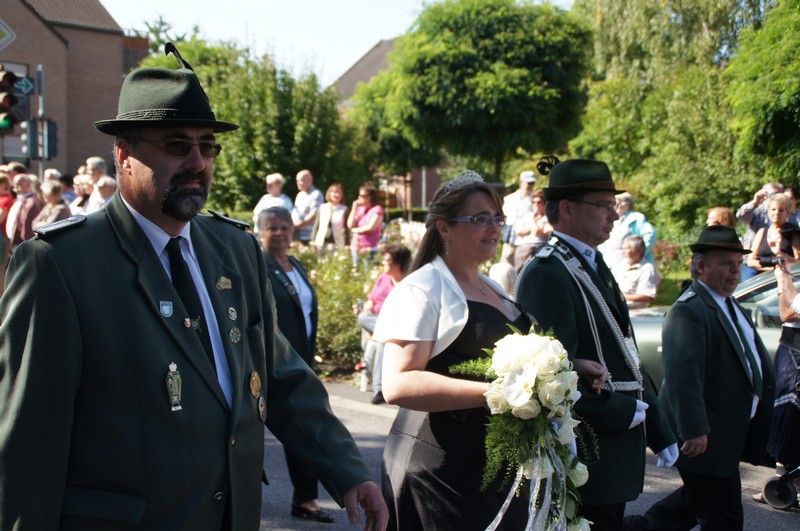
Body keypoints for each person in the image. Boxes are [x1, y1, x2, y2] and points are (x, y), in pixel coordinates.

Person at [0, 43, 387, 530]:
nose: (198, 162)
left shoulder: (236, 250)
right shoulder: (62, 264)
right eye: (176, 145)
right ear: (124, 154)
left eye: (208, 146)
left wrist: (348, 471)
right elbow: (29, 447)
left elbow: (280, 377)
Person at [516, 157, 676, 530]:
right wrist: (620, 412)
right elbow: (553, 375)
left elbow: (626, 353)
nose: (614, 216)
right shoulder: (548, 272)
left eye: (613, 205)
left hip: (613, 451)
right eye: (603, 205)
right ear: (567, 208)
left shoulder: (590, 262)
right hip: (588, 451)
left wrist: (658, 425)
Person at [372, 170, 535, 530]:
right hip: (440, 470)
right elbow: (398, 383)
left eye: (497, 218)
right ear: (444, 228)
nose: (493, 228)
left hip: (491, 467)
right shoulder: (422, 289)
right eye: (480, 219)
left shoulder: (491, 286)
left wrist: (564, 368)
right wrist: (496, 394)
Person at [627, 225, 775, 530]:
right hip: (705, 436)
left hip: (725, 434)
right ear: (700, 267)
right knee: (724, 517)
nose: (735, 271)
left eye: (738, 264)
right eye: (725, 263)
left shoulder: (729, 304)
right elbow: (683, 376)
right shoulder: (690, 310)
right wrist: (694, 429)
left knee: (690, 505)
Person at [256, 207, 334, 524]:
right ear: (260, 232)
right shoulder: (257, 265)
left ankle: (305, 498)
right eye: (272, 228)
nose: (279, 233)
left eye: (284, 227)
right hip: (270, 363)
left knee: (304, 427)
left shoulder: (295, 265)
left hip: (300, 361)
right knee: (254, 433)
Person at [753, 234, 800, 506]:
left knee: (790, 415)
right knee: (785, 415)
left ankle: (784, 483)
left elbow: (788, 311)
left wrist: (784, 281)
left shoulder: (790, 278)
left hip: (796, 352)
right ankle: (785, 480)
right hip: (790, 348)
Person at [357, 243, 411, 405]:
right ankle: (380, 389)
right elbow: (371, 301)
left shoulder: (409, 283)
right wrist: (365, 309)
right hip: (378, 321)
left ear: (398, 263)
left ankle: (379, 389)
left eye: (387, 260)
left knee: (382, 337)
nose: (383, 263)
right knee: (364, 318)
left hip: (399, 324)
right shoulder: (383, 278)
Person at [737, 182, 789, 281]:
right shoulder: (757, 210)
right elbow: (741, 216)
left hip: (777, 260)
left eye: (776, 194)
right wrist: (755, 202)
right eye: (770, 194)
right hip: (753, 259)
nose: (773, 197)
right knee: (750, 286)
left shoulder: (784, 212)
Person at [598, 191, 657, 271]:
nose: (616, 205)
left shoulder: (636, 218)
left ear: (627, 203)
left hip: (632, 268)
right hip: (610, 267)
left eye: (618, 202)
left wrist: (638, 254)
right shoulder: (610, 219)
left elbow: (651, 234)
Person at [746, 194, 800, 274]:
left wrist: (780, 253)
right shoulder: (762, 232)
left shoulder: (793, 232)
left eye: (781, 210)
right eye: (773, 209)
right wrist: (770, 269)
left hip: (786, 274)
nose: (776, 213)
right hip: (764, 276)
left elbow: (798, 262)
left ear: (787, 213)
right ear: (768, 211)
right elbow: (750, 261)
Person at [500, 169, 536, 269]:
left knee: (521, 271)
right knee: (505, 268)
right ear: (521, 182)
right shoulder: (509, 199)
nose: (530, 186)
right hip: (510, 241)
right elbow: (503, 219)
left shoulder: (536, 200)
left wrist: (529, 229)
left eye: (532, 183)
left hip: (527, 242)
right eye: (528, 183)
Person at [612, 235, 659, 309]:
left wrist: (620, 297)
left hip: (635, 312)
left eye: (627, 249)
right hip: (615, 309)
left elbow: (647, 297)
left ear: (638, 251)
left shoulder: (647, 269)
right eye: (623, 248)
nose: (623, 252)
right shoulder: (620, 266)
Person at [512, 189, 552, 272]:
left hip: (540, 246)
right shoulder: (528, 216)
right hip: (525, 246)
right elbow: (518, 231)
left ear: (544, 204)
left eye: (539, 202)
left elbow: (538, 231)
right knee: (520, 265)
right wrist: (531, 227)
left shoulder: (548, 217)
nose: (536, 205)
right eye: (534, 202)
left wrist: (533, 223)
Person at [5, 173, 43, 253]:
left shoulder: (31, 203)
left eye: (18, 183)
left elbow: (28, 228)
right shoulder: (21, 199)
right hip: (17, 244)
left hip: (23, 245)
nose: (15, 185)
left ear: (28, 184)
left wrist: (26, 247)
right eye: (14, 183)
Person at [348, 184, 383, 266]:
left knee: (368, 271)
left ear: (370, 197)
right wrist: (354, 208)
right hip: (356, 247)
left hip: (369, 249)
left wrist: (356, 230)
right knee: (356, 271)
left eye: (362, 195)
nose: (359, 197)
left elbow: (371, 227)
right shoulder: (360, 209)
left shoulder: (377, 209)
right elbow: (350, 225)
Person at [312, 183, 349, 251]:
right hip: (321, 243)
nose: (336, 195)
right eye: (334, 192)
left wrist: (347, 244)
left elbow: (346, 229)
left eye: (338, 192)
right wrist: (312, 241)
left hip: (337, 244)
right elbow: (316, 225)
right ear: (329, 193)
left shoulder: (344, 209)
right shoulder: (322, 207)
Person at [292, 169, 324, 246]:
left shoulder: (316, 194)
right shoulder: (300, 195)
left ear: (309, 181)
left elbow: (314, 215)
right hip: (296, 234)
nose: (297, 183)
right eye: (297, 180)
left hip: (308, 236)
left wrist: (297, 225)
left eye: (300, 180)